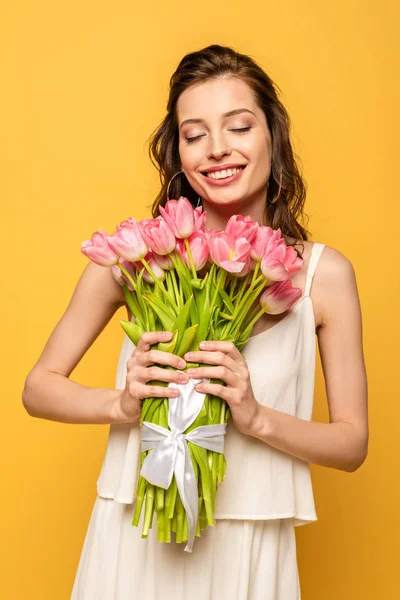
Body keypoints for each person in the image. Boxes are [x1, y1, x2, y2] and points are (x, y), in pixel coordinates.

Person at [22, 44, 369, 599]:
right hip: (131, 538)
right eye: (194, 134)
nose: (217, 150)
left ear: (272, 138)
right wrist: (121, 403)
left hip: (251, 547)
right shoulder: (135, 259)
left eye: (238, 126)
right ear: (177, 152)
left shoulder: (322, 276)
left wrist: (255, 418)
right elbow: (37, 388)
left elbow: (352, 444)